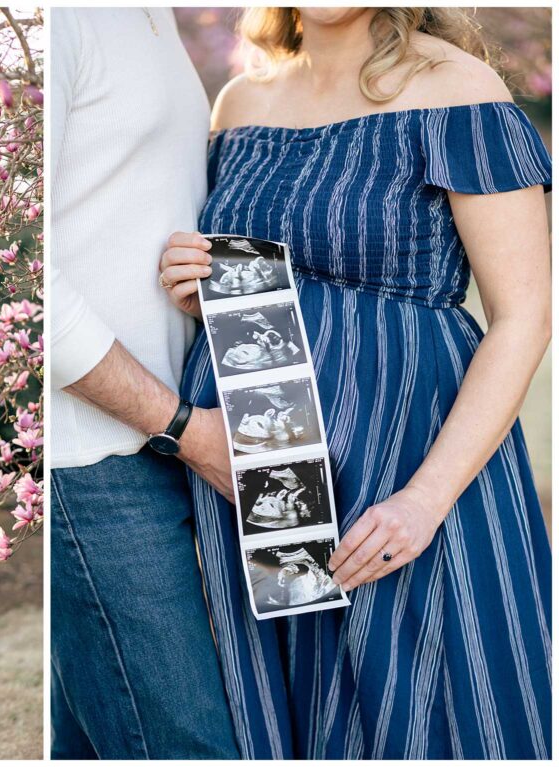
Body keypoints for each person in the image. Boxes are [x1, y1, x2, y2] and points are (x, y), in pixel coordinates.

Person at [159, 7, 551, 759]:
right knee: (304, 710)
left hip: (412, 459)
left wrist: (424, 501)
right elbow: (264, 275)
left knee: (429, 709)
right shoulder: (240, 101)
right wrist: (202, 280)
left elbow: (523, 318)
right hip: (271, 471)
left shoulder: (456, 90)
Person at [50, 7, 239, 760]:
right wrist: (187, 430)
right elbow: (39, 287)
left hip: (163, 443)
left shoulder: (153, 18)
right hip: (98, 457)